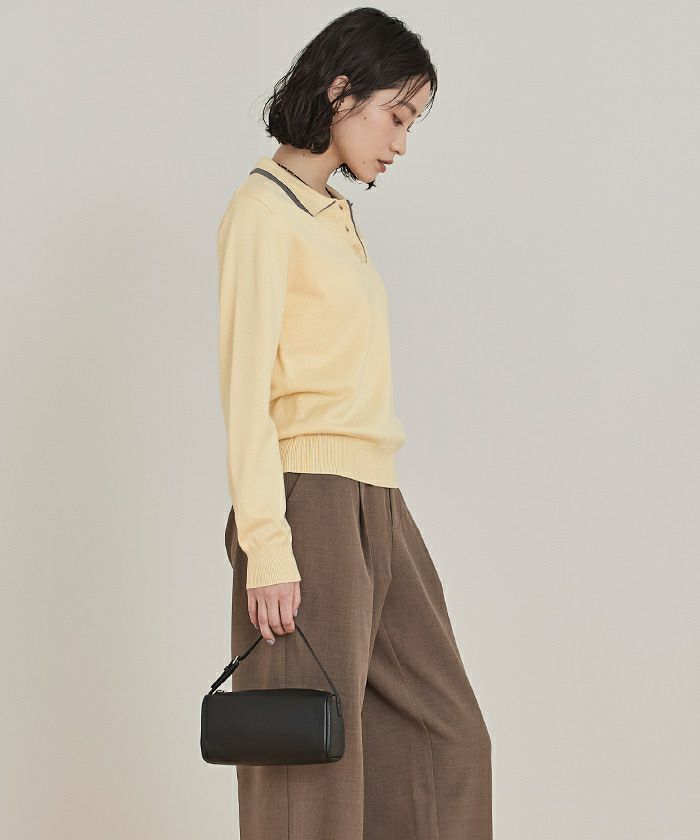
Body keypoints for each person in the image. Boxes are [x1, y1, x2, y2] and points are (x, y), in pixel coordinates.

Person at [218, 8, 492, 839]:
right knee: (311, 775)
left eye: (412, 124)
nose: (401, 143)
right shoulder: (262, 213)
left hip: (380, 499)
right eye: (396, 116)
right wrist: (268, 545)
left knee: (447, 739)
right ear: (341, 91)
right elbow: (244, 391)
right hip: (309, 501)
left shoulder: (330, 214)